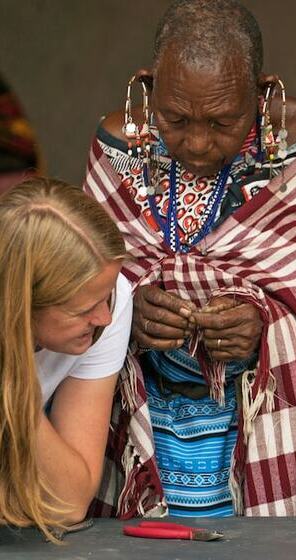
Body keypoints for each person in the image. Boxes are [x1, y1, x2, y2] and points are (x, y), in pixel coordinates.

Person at [83, 0, 296, 518]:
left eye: (224, 121)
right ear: (147, 87)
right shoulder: (116, 147)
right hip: (142, 437)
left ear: (264, 93)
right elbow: (77, 283)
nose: (198, 143)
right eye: (175, 118)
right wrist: (125, 308)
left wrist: (267, 323)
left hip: (270, 436)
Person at [0, 178, 132, 539]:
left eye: (106, 299)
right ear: (21, 305)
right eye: (84, 309)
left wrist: (14, 382)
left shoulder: (109, 298)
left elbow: (68, 500)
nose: (105, 318)